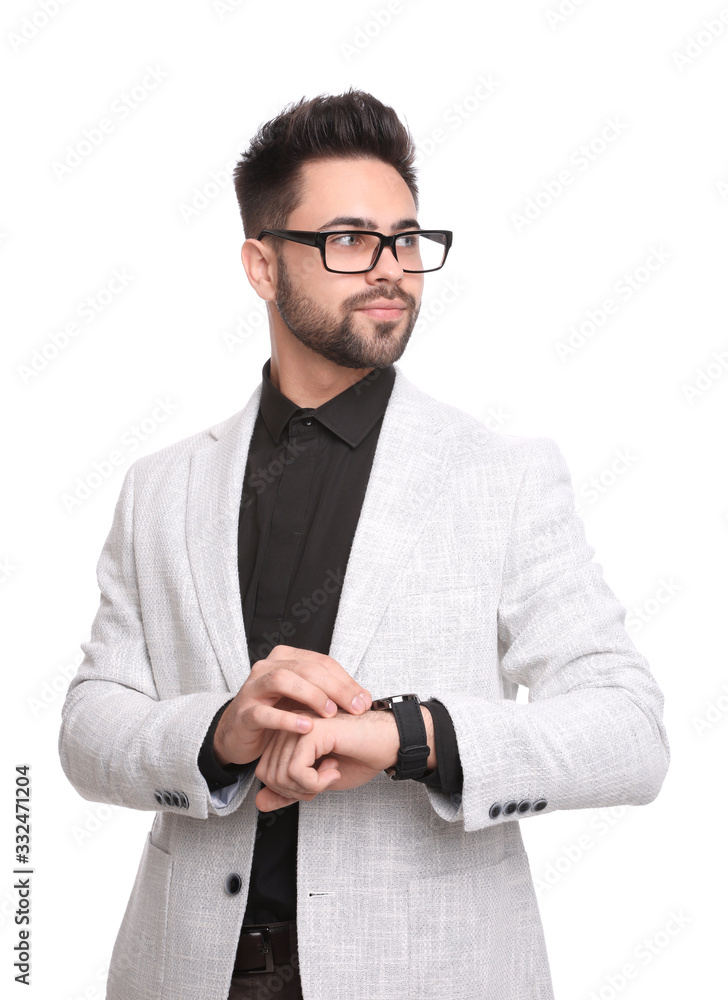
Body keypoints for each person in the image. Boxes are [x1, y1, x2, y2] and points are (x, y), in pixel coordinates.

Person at [59, 88, 670, 1000]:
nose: (391, 270)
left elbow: (628, 730)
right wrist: (219, 733)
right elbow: (87, 727)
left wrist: (407, 736)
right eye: (348, 239)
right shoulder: (161, 487)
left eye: (405, 239)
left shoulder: (500, 475)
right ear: (261, 266)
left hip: (426, 973)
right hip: (186, 971)